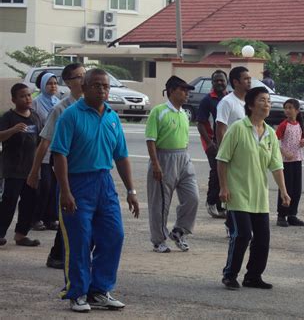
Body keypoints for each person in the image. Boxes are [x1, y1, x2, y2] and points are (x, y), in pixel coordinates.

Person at [51, 68, 139, 312]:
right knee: (79, 241)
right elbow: (59, 155)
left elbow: (121, 156)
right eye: (97, 85)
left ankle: (99, 290)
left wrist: (131, 191)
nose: (102, 90)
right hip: (77, 184)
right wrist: (66, 191)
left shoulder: (112, 117)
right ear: (85, 86)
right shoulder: (71, 115)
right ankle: (77, 293)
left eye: (106, 86)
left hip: (104, 183)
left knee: (114, 235)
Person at [217, 86, 291, 291]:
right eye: (261, 100)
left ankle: (253, 276)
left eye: (268, 100)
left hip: (259, 196)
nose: (267, 103)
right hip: (237, 192)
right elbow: (222, 160)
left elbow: (276, 166)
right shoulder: (238, 128)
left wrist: (283, 191)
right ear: (250, 105)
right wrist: (223, 187)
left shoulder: (269, 133)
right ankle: (230, 274)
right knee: (242, 235)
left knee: (262, 239)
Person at [27, 63, 86, 269]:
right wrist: (34, 171)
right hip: (66, 167)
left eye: (85, 75)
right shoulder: (61, 108)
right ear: (69, 82)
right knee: (70, 212)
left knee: (81, 214)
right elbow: (45, 141)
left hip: (88, 170)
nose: (83, 80)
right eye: (79, 77)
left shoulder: (94, 105)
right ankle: (58, 254)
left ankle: (67, 254)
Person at [145, 76, 199, 253]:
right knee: (160, 203)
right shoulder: (158, 111)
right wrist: (155, 164)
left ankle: (179, 231)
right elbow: (151, 139)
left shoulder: (184, 113)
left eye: (187, 91)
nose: (186, 94)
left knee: (193, 197)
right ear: (172, 91)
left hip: (183, 157)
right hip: (163, 158)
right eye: (183, 90)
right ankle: (158, 240)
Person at [0, 83, 42, 247]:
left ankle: (21, 235)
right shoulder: (8, 117)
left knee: (30, 202)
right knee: (9, 202)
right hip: (12, 169)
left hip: (31, 169)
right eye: (23, 96)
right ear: (13, 99)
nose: (27, 98)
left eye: (29, 95)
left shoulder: (35, 116)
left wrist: (38, 166)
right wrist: (13, 130)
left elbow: (40, 141)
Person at [197, 70, 228, 219]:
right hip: (213, 143)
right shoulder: (207, 100)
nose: (219, 83)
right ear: (212, 83)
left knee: (227, 173)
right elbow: (201, 124)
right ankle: (211, 203)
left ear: (227, 81)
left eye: (222, 80)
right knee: (216, 171)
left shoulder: (230, 98)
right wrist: (210, 143)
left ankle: (223, 204)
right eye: (216, 81)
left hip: (228, 142)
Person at [31, 72, 60, 231]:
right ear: (42, 85)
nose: (53, 86)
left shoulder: (58, 102)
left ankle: (51, 218)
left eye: (55, 83)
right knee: (44, 185)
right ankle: (35, 218)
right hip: (42, 150)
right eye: (49, 83)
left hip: (56, 150)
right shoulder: (35, 103)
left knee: (55, 186)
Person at [275, 98, 304, 227]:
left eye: (290, 108)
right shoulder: (283, 125)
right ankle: (281, 215)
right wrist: (284, 152)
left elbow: (301, 139)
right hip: (286, 161)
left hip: (297, 159)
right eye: (286, 108)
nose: (287, 110)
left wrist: (302, 143)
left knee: (296, 189)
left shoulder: (299, 124)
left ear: (297, 111)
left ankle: (292, 214)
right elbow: (274, 141)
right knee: (286, 188)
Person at [215, 66, 252, 145]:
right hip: (233, 151)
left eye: (250, 79)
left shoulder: (251, 102)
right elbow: (221, 130)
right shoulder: (227, 102)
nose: (249, 81)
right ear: (235, 82)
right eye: (246, 79)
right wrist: (223, 153)